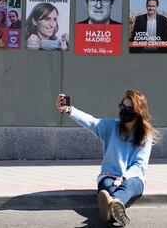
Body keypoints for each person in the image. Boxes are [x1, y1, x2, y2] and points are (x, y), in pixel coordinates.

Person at [55, 90, 158, 226]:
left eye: (129, 108)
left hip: (133, 178)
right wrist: (68, 109)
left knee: (128, 186)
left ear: (138, 111)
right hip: (109, 176)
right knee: (107, 187)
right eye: (122, 106)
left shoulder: (145, 135)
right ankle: (116, 206)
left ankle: (112, 205)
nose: (124, 110)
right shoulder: (111, 127)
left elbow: (140, 165)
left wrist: (123, 178)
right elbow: (91, 122)